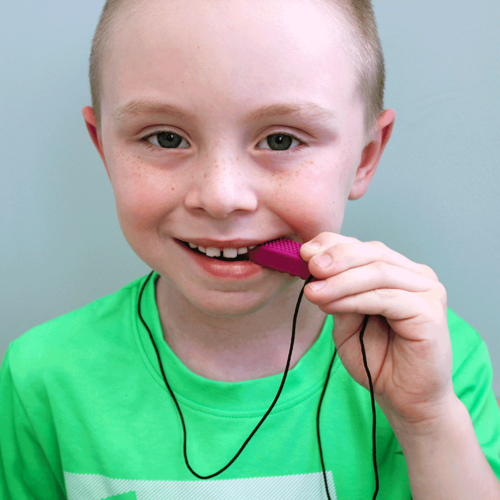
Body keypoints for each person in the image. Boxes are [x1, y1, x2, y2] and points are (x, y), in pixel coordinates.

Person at [1, 0, 500, 498]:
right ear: (103, 147)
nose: (221, 198)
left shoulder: (437, 364)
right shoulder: (41, 378)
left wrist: (428, 421)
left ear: (365, 156)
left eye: (281, 140)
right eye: (167, 137)